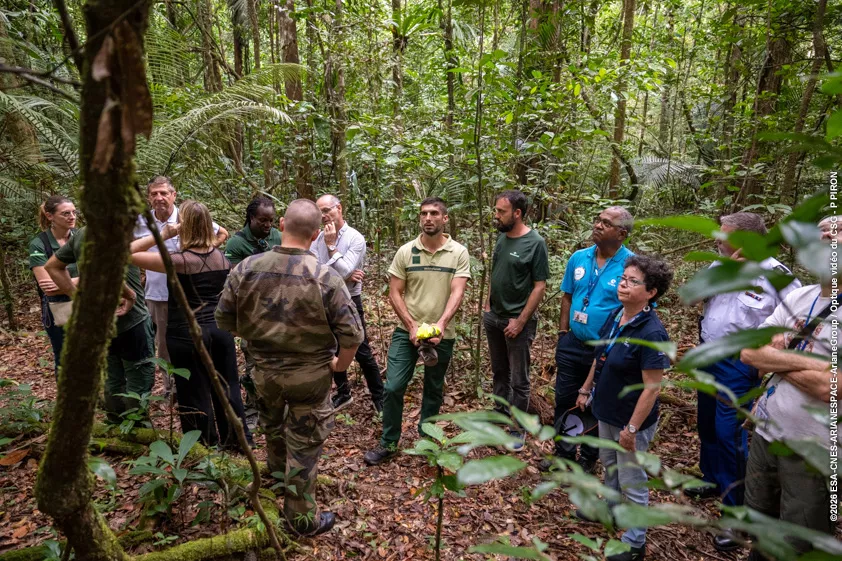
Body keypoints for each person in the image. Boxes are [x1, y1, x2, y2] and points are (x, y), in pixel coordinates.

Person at [215, 198, 363, 536]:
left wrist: (256, 335)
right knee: (305, 442)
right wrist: (339, 366)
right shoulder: (325, 278)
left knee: (272, 424)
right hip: (309, 377)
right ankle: (300, 519)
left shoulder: (245, 268)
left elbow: (223, 319)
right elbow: (352, 335)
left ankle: (276, 478)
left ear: (281, 224)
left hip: (263, 373)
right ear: (314, 235)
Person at [686, 212, 800, 552]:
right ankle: (711, 478)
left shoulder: (777, 276)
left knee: (730, 432)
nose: (717, 240)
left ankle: (737, 512)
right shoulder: (717, 264)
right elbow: (689, 298)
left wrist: (769, 358)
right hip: (708, 354)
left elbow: (794, 326)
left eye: (725, 235)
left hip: (740, 364)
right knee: (706, 424)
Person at [739, 216, 837, 561]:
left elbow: (830, 388)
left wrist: (777, 356)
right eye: (821, 232)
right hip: (767, 433)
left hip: (815, 450)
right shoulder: (799, 297)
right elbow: (749, 351)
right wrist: (806, 364)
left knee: (799, 540)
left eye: (837, 232)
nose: (826, 236)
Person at [131, 200, 252, 450]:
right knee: (227, 385)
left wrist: (164, 234)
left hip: (186, 334)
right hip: (220, 332)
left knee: (193, 391)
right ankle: (237, 442)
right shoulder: (221, 257)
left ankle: (202, 448)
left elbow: (128, 253)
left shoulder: (177, 261)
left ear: (182, 226)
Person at [575, 255, 673, 561]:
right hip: (606, 409)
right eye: (622, 279)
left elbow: (652, 387)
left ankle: (635, 541)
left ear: (651, 291)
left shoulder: (652, 333)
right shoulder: (617, 314)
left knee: (632, 477)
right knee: (610, 464)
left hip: (632, 418)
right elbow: (600, 356)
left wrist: (632, 428)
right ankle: (612, 509)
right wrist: (586, 388)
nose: (623, 285)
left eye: (633, 281)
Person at [363, 197, 471, 466]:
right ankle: (389, 442)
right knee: (394, 386)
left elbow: (458, 291)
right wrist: (412, 326)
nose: (428, 218)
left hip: (442, 333)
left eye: (434, 213)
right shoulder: (405, 251)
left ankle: (427, 440)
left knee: (434, 389)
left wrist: (441, 325)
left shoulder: (458, 252)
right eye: (424, 213)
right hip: (406, 331)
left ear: (445, 218)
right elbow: (395, 292)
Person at [544, 206, 634, 473]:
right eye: (598, 220)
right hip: (573, 343)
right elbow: (567, 297)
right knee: (565, 400)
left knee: (597, 405)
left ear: (621, 234)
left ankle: (589, 458)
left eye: (605, 223)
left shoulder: (631, 266)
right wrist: (563, 334)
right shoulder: (579, 258)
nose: (597, 225)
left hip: (605, 349)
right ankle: (564, 455)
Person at [45, 227, 155, 423]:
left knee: (113, 376)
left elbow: (52, 266)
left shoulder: (81, 234)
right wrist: (129, 294)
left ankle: (115, 423)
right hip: (131, 320)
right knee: (139, 376)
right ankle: (136, 428)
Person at [133, 176, 228, 397]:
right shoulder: (141, 222)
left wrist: (200, 254)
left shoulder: (188, 216)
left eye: (164, 193)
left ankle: (202, 381)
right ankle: (172, 387)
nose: (159, 198)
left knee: (199, 338)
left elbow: (222, 233)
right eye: (154, 194)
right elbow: (130, 249)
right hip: (159, 294)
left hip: (193, 293)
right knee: (165, 344)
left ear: (173, 195)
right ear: (148, 197)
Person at [483, 190, 548, 446]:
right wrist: (489, 302)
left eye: (501, 211)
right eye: (496, 210)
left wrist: (521, 321)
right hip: (494, 317)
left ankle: (518, 428)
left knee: (520, 378)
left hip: (517, 321)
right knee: (500, 371)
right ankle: (500, 413)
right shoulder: (502, 238)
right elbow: (497, 271)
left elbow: (539, 286)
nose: (496, 215)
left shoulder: (535, 242)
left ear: (517, 213)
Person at [312, 194, 384, 413]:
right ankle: (343, 393)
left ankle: (380, 399)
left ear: (339, 208)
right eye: (320, 212)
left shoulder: (355, 238)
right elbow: (316, 272)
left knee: (361, 351)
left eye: (327, 210)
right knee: (332, 348)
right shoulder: (317, 239)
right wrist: (343, 273)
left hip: (350, 300)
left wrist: (332, 247)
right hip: (325, 300)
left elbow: (342, 269)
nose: (324, 216)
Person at [224, 196, 282, 416]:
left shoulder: (277, 236)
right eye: (262, 220)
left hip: (279, 310)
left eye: (271, 220)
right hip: (253, 314)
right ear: (251, 218)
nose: (267, 225)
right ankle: (253, 409)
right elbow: (236, 281)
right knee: (254, 363)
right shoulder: (236, 243)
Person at [28, 195, 78, 377]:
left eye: (74, 212)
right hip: (58, 307)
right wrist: (84, 278)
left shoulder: (80, 237)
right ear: (50, 216)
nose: (72, 217)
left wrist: (61, 280)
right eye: (65, 213)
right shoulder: (39, 244)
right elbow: (47, 287)